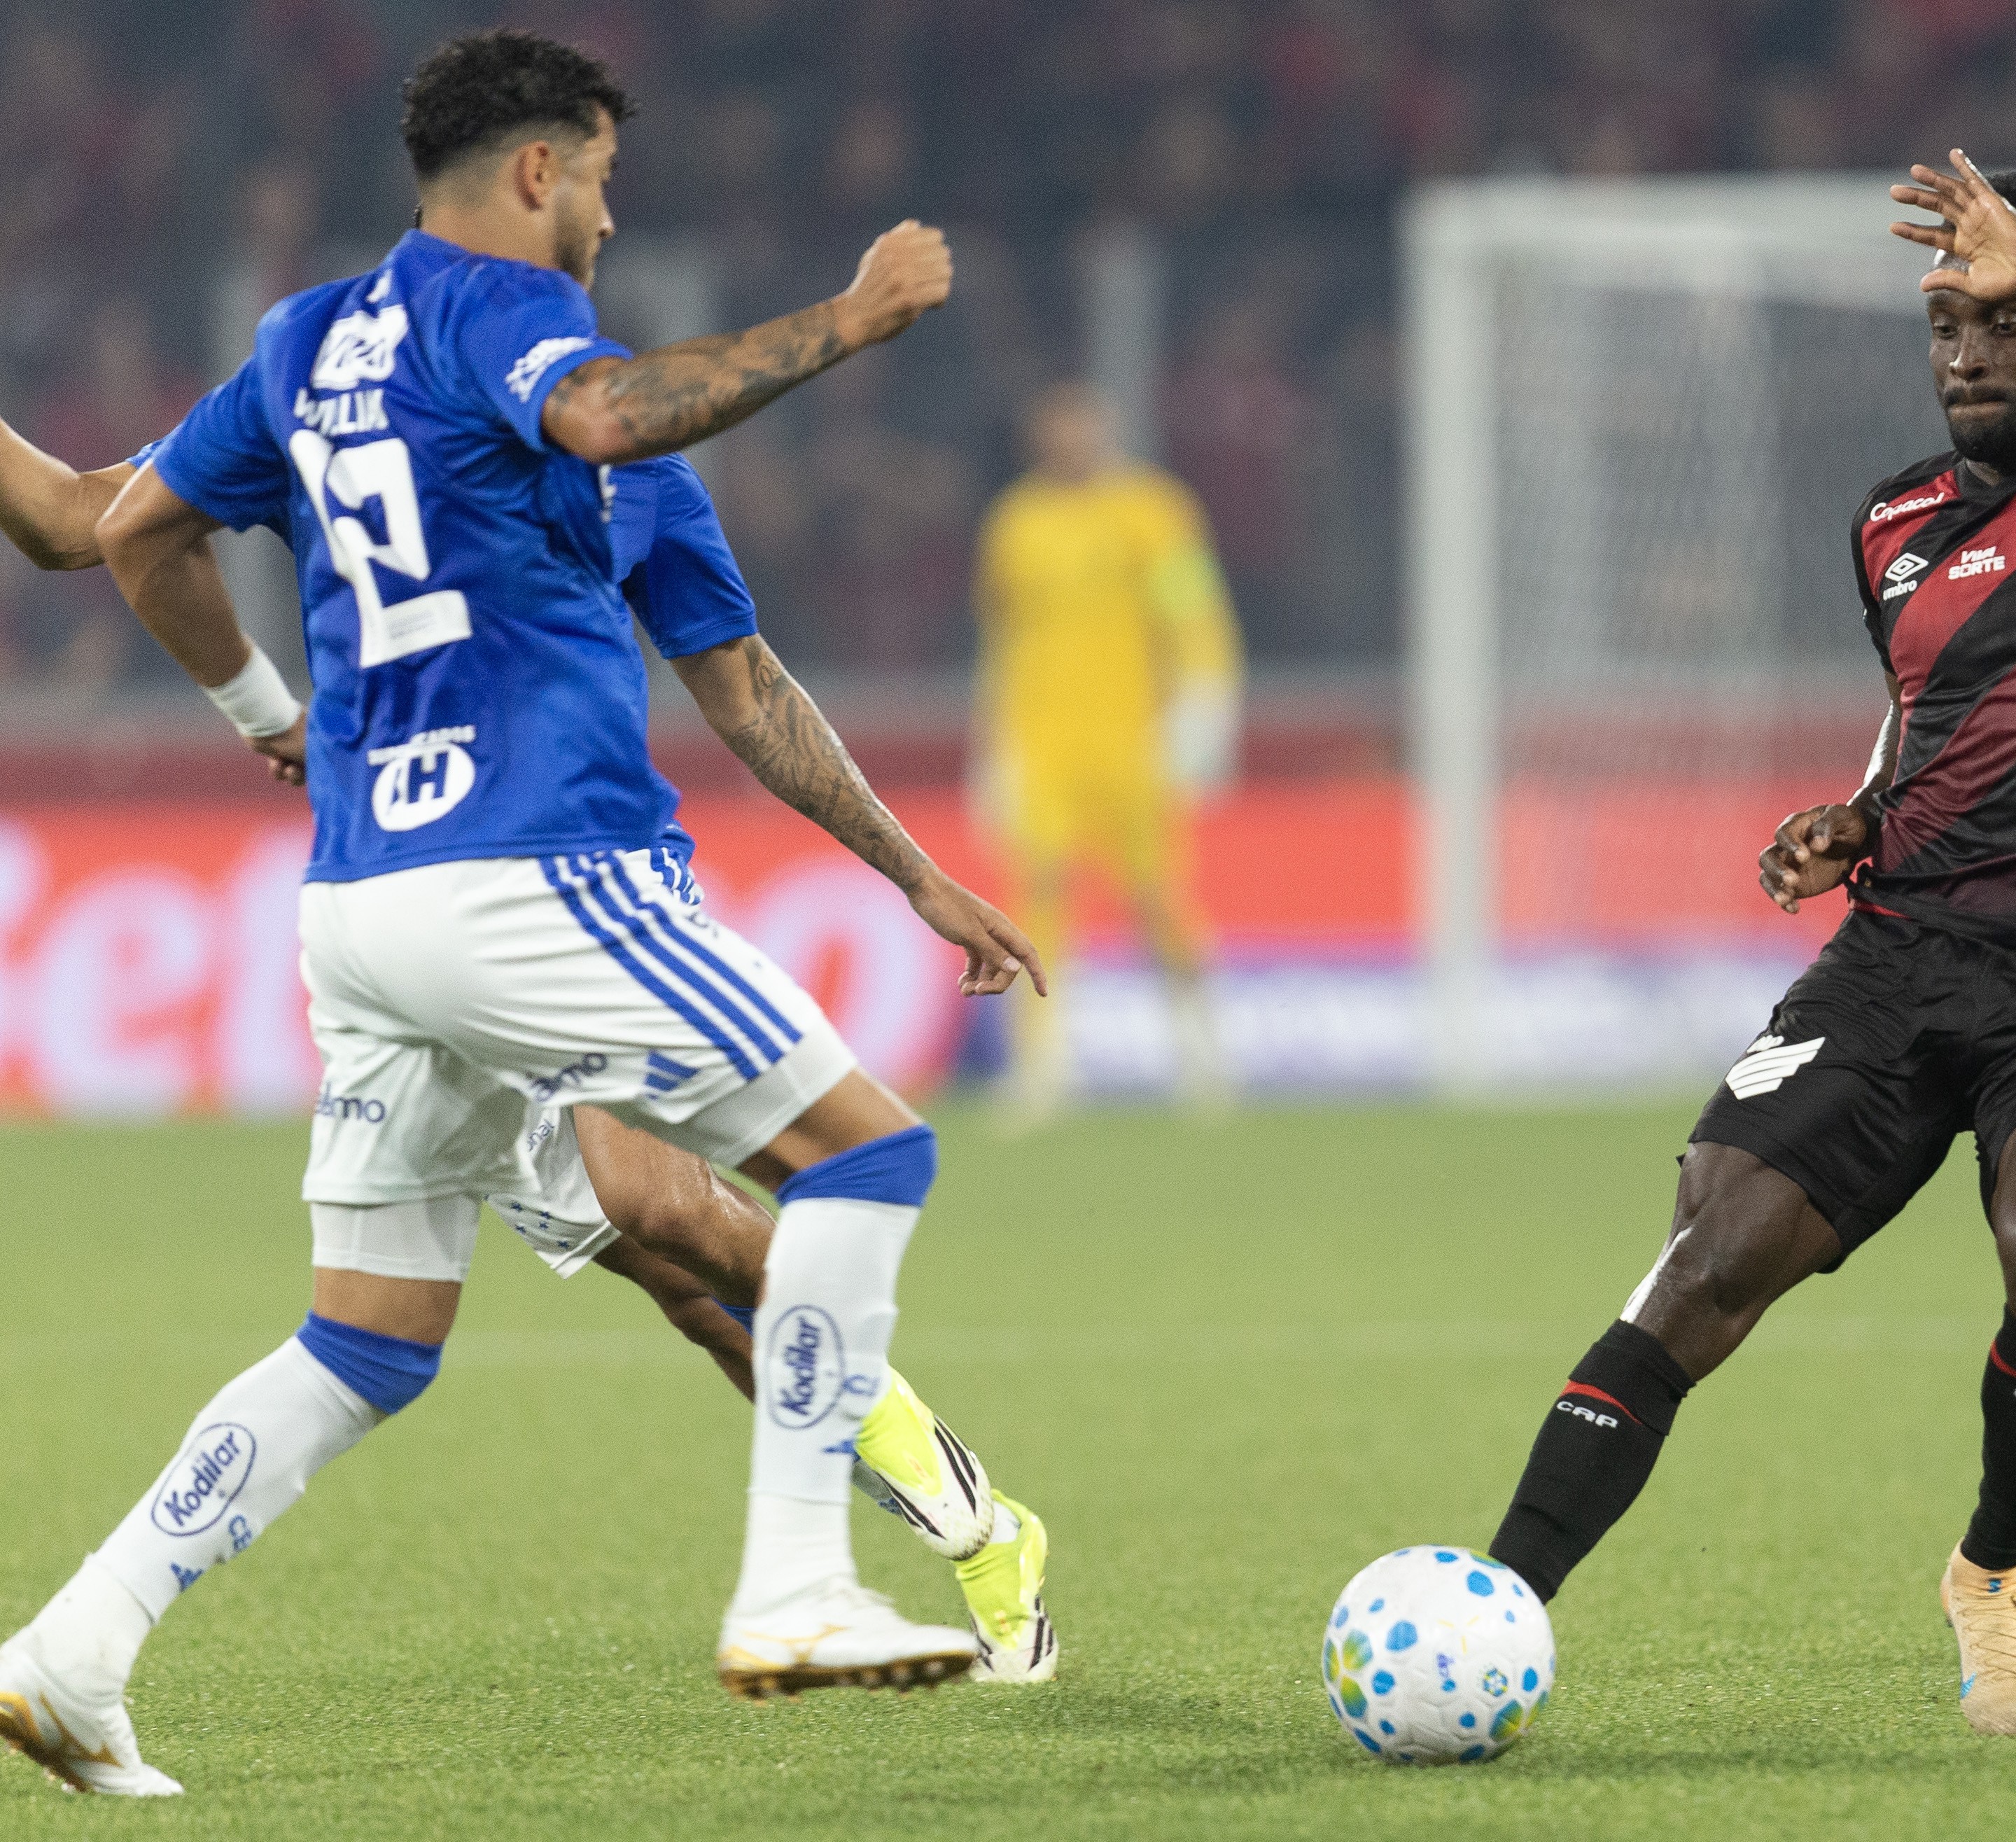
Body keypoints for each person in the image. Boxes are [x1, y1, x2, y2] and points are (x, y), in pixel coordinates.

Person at [0, 29, 1048, 1797]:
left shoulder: (305, 342)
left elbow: (112, 528)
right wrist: (852, 317)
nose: (614, 219)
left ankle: (71, 1650)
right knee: (862, 1160)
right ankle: (802, 1580)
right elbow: (617, 411)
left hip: (359, 907)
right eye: (606, 180)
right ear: (540, 173)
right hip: (538, 864)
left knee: (368, 1338)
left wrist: (270, 719)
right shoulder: (508, 327)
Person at [1481, 153, 2016, 1738]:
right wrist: (1858, 813)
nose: (1964, 351)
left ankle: (1985, 1571)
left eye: (2000, 316)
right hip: (1894, 958)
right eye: (1942, 321)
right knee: (1700, 1260)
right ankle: (1493, 1602)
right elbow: (1928, 713)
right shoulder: (1893, 522)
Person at [974, 381, 1242, 1120]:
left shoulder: (1153, 512)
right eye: (1057, 430)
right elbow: (1003, 638)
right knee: (1040, 899)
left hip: (1133, 741)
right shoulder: (1015, 522)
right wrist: (992, 745)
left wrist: (1205, 705)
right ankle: (1041, 1071)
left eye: (1082, 427)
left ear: (1105, 429)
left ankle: (1201, 1054)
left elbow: (1194, 611)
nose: (1070, 442)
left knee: (1158, 899)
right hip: (1044, 743)